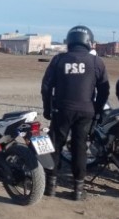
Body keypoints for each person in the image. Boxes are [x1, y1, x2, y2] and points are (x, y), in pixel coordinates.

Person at [41, 25, 110, 201]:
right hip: (86, 111)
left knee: (55, 145)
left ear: (70, 41)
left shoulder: (59, 60)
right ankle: (78, 190)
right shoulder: (96, 62)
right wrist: (98, 109)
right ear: (89, 42)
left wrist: (47, 109)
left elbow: (46, 87)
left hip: (62, 109)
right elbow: (104, 89)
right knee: (80, 147)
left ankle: (51, 186)